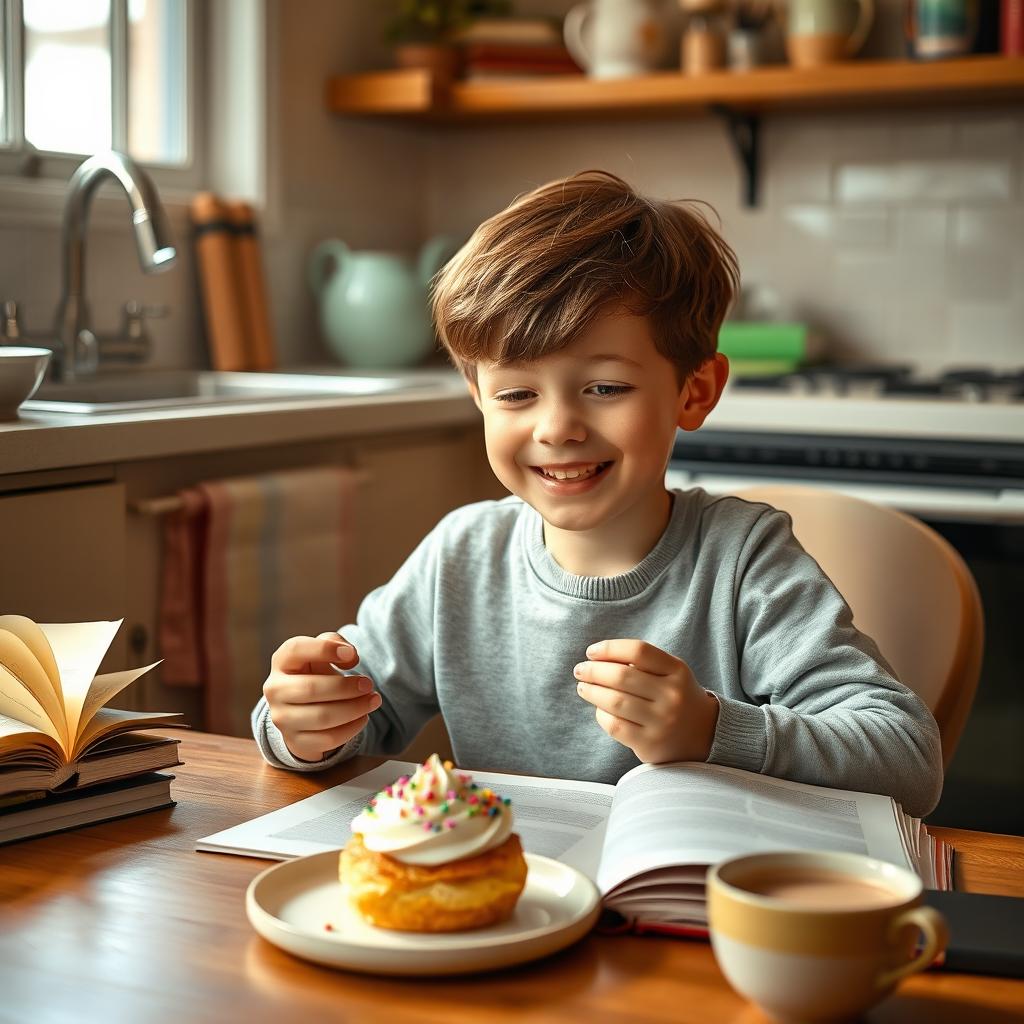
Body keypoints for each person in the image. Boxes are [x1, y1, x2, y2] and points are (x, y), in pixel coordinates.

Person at [252, 170, 942, 818]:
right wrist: (305, 721)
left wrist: (712, 730)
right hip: (514, 914)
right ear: (479, 399)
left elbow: (908, 760)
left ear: (694, 391)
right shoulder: (461, 557)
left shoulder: (743, 562)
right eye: (516, 394)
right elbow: (347, 723)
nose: (556, 428)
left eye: (605, 388)